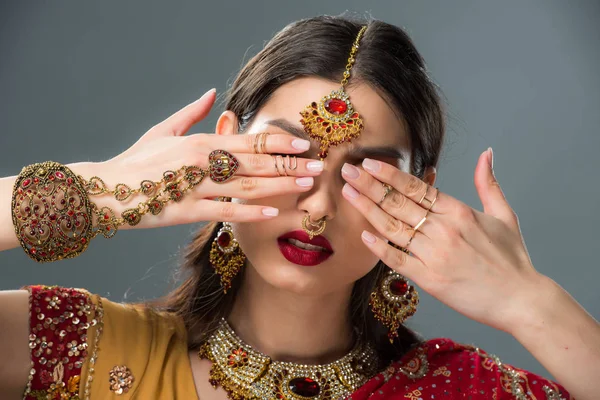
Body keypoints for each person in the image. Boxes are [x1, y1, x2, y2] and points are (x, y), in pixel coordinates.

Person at [0, 15, 597, 400]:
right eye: (292, 158)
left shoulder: (461, 391)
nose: (317, 206)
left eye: (365, 174)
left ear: (423, 193)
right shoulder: (80, 349)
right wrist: (94, 193)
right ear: (226, 144)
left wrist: (528, 302)